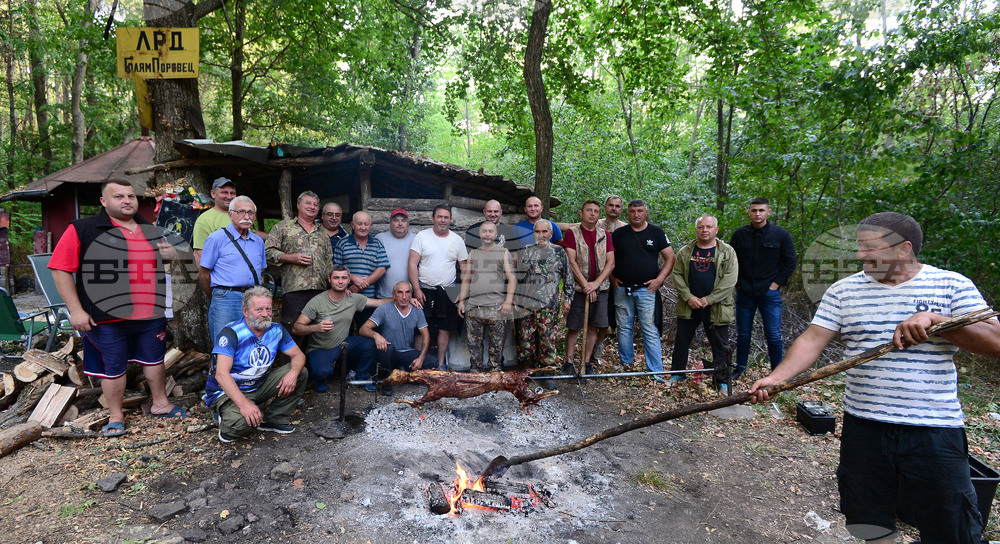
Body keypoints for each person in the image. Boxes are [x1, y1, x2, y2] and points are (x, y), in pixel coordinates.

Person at [749, 212, 1000, 544]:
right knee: (868, 520)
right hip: (864, 427)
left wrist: (938, 320)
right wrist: (776, 378)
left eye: (869, 248)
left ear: (902, 249)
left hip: (934, 429)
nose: (860, 255)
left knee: (951, 524)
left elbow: (996, 341)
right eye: (859, 246)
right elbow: (811, 339)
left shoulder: (951, 284)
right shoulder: (844, 291)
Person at [49, 179, 186, 438]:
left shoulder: (150, 230)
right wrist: (76, 310)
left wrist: (169, 258)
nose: (127, 201)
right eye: (119, 196)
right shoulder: (83, 229)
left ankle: (161, 404)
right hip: (106, 315)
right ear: (104, 201)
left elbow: (164, 269)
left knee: (154, 359)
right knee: (113, 366)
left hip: (150, 312)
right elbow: (60, 269)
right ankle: (116, 415)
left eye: (131, 196)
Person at [204, 287, 308, 443]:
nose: (265, 314)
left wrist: (292, 374)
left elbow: (298, 355)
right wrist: (245, 405)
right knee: (243, 425)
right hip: (227, 391)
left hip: (258, 385)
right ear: (245, 312)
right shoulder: (231, 333)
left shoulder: (276, 330)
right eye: (259, 310)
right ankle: (226, 421)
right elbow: (221, 374)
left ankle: (275, 418)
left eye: (268, 309)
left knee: (300, 372)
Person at [729, 197, 796, 380]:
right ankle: (740, 368)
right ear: (748, 212)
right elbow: (731, 262)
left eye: (761, 210)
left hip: (769, 293)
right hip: (745, 292)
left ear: (768, 212)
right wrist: (738, 284)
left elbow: (790, 261)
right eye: (754, 210)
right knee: (743, 333)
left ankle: (777, 371)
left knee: (773, 335)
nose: (757, 214)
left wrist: (775, 284)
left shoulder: (780, 234)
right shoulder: (739, 235)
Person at [669, 215, 737, 393]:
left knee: (720, 345)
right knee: (682, 341)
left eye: (708, 227)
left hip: (716, 307)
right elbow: (677, 275)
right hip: (689, 305)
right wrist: (688, 297)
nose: (704, 230)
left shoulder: (727, 252)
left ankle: (721, 381)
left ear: (716, 229)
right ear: (696, 229)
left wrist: (709, 299)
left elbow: (730, 280)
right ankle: (677, 374)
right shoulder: (686, 251)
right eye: (701, 227)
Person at [292, 267, 384, 392]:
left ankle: (360, 377)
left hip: (343, 345)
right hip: (320, 348)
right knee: (322, 374)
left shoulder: (353, 299)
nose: (340, 281)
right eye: (336, 278)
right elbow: (296, 328)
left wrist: (405, 299)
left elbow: (379, 303)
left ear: (348, 281)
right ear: (329, 280)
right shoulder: (317, 301)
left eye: (344, 278)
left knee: (370, 343)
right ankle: (322, 377)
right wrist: (316, 327)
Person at [611, 199, 675, 378]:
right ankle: (626, 366)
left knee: (650, 329)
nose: (636, 214)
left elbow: (670, 258)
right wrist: (612, 279)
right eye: (632, 211)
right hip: (622, 288)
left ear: (646, 212)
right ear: (627, 213)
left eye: (640, 211)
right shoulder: (619, 234)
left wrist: (659, 280)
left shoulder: (656, 232)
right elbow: (608, 258)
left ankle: (655, 372)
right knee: (624, 328)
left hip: (647, 290)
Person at [198, 196, 267, 345]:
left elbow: (260, 272)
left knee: (251, 342)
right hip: (226, 297)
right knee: (225, 342)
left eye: (251, 213)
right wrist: (218, 295)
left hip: (252, 298)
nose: (246, 217)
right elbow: (204, 274)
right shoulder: (216, 238)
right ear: (230, 214)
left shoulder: (258, 242)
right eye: (241, 212)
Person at [265, 191, 333, 339]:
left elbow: (329, 261)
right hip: (295, 291)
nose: (312, 207)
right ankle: (290, 362)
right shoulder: (283, 227)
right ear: (298, 205)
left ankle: (311, 362)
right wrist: (291, 258)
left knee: (316, 334)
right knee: (291, 332)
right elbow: (268, 252)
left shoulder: (322, 233)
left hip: (320, 291)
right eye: (308, 203)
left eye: (315, 204)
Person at [408, 205, 468, 368]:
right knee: (420, 328)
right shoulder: (422, 236)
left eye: (446, 217)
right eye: (440, 217)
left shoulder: (457, 240)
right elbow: (412, 264)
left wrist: (462, 294)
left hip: (446, 291)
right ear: (433, 218)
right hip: (424, 290)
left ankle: (441, 364)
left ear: (450, 220)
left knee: (444, 328)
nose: (443, 220)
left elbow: (465, 270)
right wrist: (417, 289)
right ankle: (416, 363)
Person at [562, 200, 615, 375]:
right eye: (588, 210)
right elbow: (571, 261)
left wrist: (595, 284)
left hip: (600, 288)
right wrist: (586, 285)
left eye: (596, 211)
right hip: (579, 288)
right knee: (574, 325)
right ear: (581, 213)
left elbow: (611, 263)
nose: (592, 214)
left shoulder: (605, 234)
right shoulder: (572, 233)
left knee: (594, 326)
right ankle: (569, 362)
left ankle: (586, 362)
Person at [515, 220, 574, 368]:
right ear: (533, 233)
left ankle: (547, 372)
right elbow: (519, 277)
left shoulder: (559, 252)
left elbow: (568, 277)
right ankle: (528, 372)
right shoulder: (526, 251)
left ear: (551, 233)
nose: (541, 235)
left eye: (544, 232)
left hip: (549, 306)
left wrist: (568, 299)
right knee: (525, 341)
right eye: (537, 232)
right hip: (526, 306)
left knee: (547, 340)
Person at [457, 222, 515, 371]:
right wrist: (462, 301)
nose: (487, 234)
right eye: (484, 231)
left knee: (496, 346)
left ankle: (494, 374)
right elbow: (466, 279)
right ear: (479, 234)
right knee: (474, 345)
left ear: (495, 235)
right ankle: (476, 372)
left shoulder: (503, 253)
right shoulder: (473, 254)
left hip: (496, 307)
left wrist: (508, 302)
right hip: (474, 307)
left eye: (490, 231)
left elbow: (512, 278)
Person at [360, 281, 439, 384]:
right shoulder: (384, 309)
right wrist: (376, 335)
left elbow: (426, 336)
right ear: (394, 295)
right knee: (387, 350)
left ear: (411, 294)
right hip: (388, 352)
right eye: (400, 292)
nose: (404, 296)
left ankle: (405, 372)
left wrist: (421, 358)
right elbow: (363, 329)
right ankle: (387, 381)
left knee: (433, 362)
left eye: (407, 292)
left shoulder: (417, 309)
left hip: (406, 352)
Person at [334, 211, 389, 327]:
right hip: (346, 297)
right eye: (359, 224)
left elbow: (382, 268)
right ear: (352, 225)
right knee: (344, 334)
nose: (363, 227)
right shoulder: (342, 243)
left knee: (366, 332)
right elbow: (336, 268)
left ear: (371, 225)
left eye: (366, 224)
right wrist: (353, 278)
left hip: (369, 300)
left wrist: (362, 284)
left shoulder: (377, 244)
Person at [592, 195, 626, 364]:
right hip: (597, 277)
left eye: (617, 206)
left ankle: (599, 344)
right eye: (611, 205)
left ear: (621, 209)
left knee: (610, 316)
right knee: (596, 313)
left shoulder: (626, 228)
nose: (614, 208)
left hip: (620, 278)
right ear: (605, 207)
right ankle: (589, 346)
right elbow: (571, 227)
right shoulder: (596, 224)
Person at [192, 177, 237, 264]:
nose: (229, 196)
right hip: (222, 275)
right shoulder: (204, 219)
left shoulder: (240, 216)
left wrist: (269, 236)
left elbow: (251, 234)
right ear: (213, 194)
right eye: (224, 192)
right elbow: (199, 254)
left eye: (232, 193)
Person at [374, 209, 416, 299]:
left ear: (408, 223)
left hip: (408, 297)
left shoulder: (416, 239)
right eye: (396, 220)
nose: (400, 223)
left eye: (403, 221)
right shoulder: (380, 239)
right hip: (383, 296)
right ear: (390, 223)